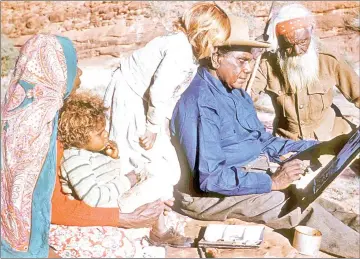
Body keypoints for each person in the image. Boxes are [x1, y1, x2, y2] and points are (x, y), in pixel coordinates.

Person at [171, 15, 360, 258]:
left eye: (251, 61)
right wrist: (272, 182)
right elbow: (210, 178)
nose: (248, 69)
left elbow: (263, 141)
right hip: (206, 197)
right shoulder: (200, 103)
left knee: (314, 199)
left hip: (245, 174)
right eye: (241, 60)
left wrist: (321, 147)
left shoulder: (234, 91)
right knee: (290, 206)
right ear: (216, 57)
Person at [103, 2, 231, 190]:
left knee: (145, 145)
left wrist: (162, 120)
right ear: (202, 34)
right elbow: (160, 91)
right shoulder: (179, 50)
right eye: (215, 44)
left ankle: (138, 182)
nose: (215, 50)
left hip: (142, 95)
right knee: (126, 140)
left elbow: (173, 92)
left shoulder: (189, 53)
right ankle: (119, 188)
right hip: (129, 89)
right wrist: (152, 127)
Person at [57, 92, 192, 247]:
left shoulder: (89, 152)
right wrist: (128, 181)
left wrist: (113, 158)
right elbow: (94, 198)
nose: (106, 134)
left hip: (113, 199)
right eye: (100, 133)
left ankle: (159, 213)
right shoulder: (75, 160)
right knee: (157, 183)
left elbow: (107, 176)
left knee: (155, 172)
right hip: (105, 207)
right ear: (80, 137)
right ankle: (159, 232)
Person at [1, 34, 82, 258]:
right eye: (74, 67)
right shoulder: (38, 127)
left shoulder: (13, 112)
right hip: (24, 248)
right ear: (55, 71)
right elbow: (49, 204)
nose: (79, 74)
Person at [251, 3, 359, 141]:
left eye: (302, 42)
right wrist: (252, 56)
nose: (297, 51)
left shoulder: (329, 59)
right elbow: (244, 97)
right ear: (279, 42)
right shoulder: (266, 64)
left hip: (332, 138)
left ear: (311, 33)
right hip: (289, 143)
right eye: (289, 45)